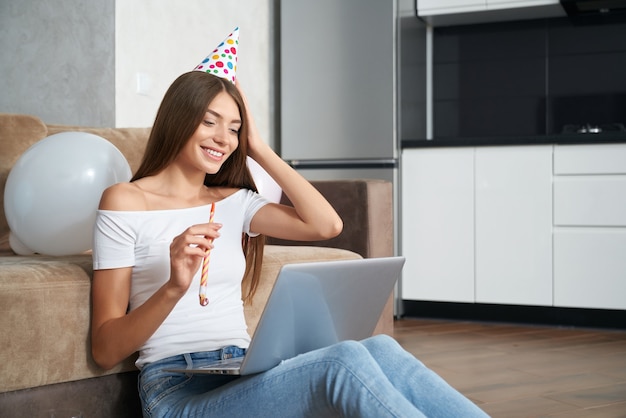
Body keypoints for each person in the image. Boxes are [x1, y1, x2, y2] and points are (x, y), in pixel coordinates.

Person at [91, 70, 488, 417]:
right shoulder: (125, 200)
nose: (222, 138)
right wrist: (174, 287)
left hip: (242, 370)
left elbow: (326, 224)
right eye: (209, 122)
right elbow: (106, 349)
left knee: (381, 349)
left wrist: (259, 148)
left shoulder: (235, 201)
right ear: (178, 121)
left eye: (234, 128)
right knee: (343, 360)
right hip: (178, 392)